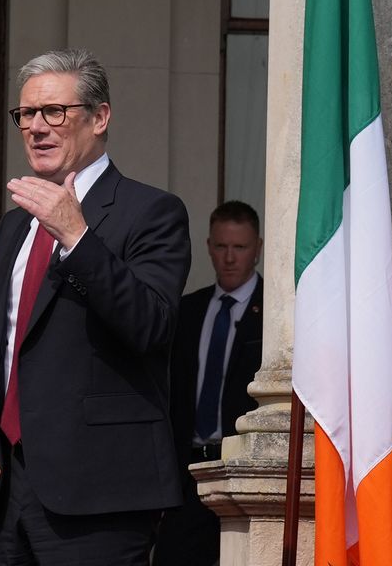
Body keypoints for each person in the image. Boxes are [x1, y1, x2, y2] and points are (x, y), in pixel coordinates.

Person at [0, 48, 191, 565]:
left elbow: (150, 325)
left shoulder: (152, 212)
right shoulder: (14, 224)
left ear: (100, 117)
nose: (37, 127)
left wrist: (77, 237)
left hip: (101, 494)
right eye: (26, 115)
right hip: (11, 489)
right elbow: (0, 349)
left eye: (54, 112)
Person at [153, 200, 264, 566]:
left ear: (258, 249)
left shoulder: (276, 312)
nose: (229, 258)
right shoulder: (187, 310)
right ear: (209, 247)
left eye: (240, 247)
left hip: (245, 471)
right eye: (221, 246)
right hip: (189, 474)